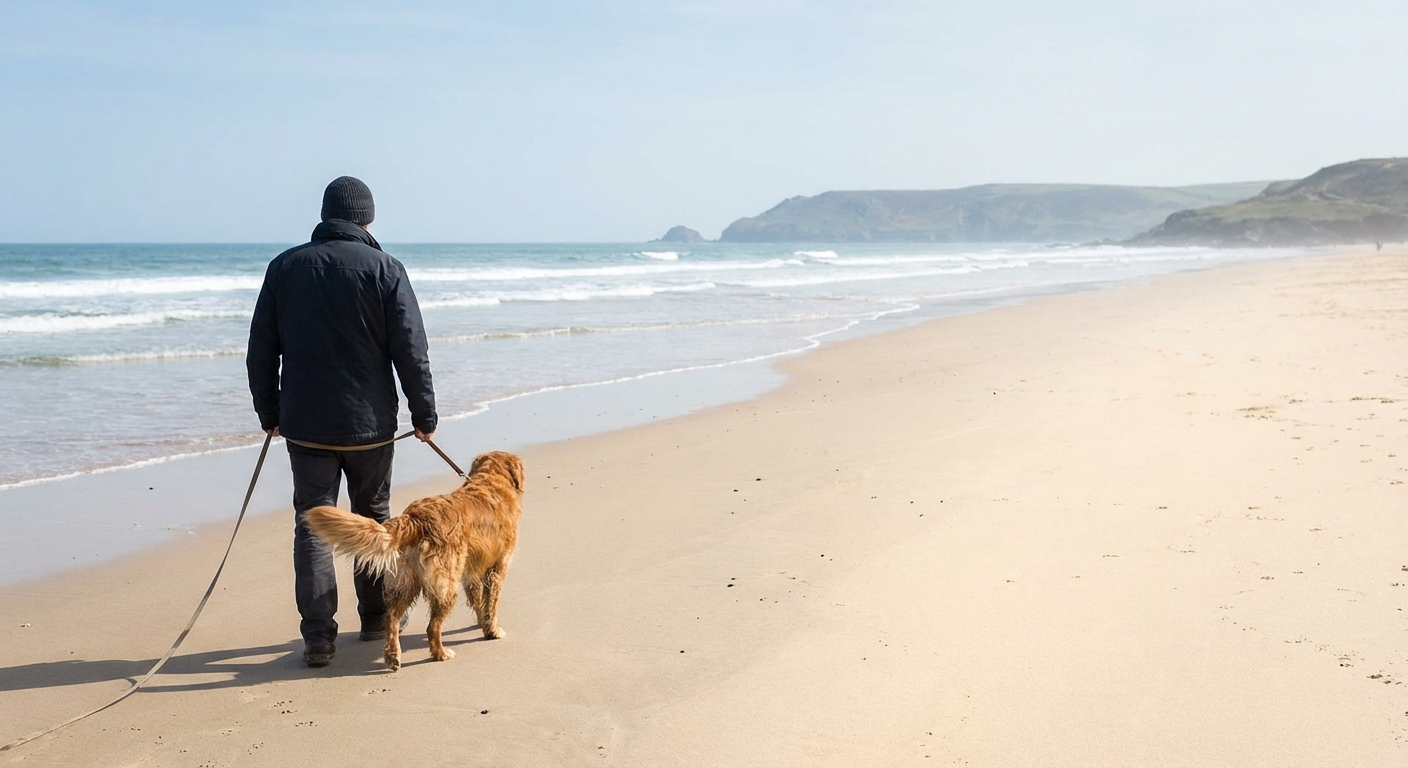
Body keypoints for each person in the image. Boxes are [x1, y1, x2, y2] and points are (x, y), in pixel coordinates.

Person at [246, 176, 438, 668]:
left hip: (305, 424)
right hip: (370, 426)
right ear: (366, 220)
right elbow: (410, 350)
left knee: (313, 524)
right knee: (371, 519)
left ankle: (318, 639)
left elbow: (261, 350)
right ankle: (374, 620)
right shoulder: (385, 268)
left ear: (326, 215)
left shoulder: (285, 267)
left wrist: (269, 412)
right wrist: (424, 414)